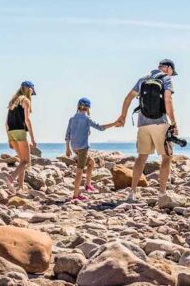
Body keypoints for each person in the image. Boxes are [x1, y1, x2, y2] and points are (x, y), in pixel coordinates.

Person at [114, 58, 179, 201]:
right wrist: (173, 122)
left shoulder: (143, 79)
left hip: (142, 124)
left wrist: (123, 116)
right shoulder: (166, 78)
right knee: (166, 157)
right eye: (172, 71)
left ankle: (132, 193)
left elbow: (128, 98)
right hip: (160, 123)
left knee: (141, 158)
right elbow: (168, 100)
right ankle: (162, 194)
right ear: (167, 68)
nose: (171, 74)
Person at [64, 97, 117, 201]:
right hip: (83, 148)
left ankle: (88, 185)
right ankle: (75, 195)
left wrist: (67, 149)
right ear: (88, 108)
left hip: (74, 147)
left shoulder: (72, 119)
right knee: (79, 171)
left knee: (91, 162)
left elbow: (67, 134)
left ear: (78, 107)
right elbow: (100, 128)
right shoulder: (87, 119)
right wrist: (114, 123)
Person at [4, 80, 38, 194]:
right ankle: (10, 178)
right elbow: (27, 120)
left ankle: (21, 187)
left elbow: (6, 123)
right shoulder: (26, 100)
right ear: (29, 89)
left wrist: (9, 138)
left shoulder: (13, 101)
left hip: (11, 132)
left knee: (22, 161)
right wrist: (33, 138)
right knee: (27, 161)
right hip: (20, 131)